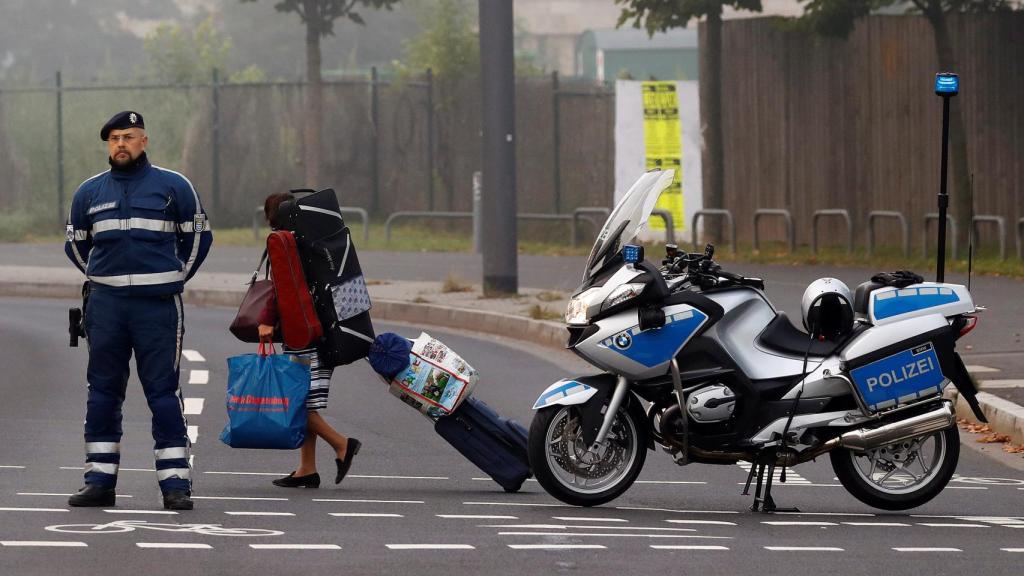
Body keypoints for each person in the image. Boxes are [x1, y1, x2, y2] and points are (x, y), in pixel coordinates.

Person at [64, 111, 213, 510]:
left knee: (162, 393)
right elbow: (77, 244)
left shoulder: (173, 185)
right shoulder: (89, 192)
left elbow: (198, 237)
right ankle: (99, 482)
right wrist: (102, 278)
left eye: (128, 137)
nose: (121, 144)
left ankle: (175, 484)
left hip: (158, 308)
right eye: (114, 138)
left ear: (144, 140)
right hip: (107, 308)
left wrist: (173, 277)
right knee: (103, 394)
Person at [258, 192, 361, 489]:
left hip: (302, 332)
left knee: (296, 403)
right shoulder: (313, 239)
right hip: (326, 329)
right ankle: (306, 469)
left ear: (272, 216)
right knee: (305, 401)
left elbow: (281, 289)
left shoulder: (284, 242)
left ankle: (342, 445)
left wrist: (266, 320)